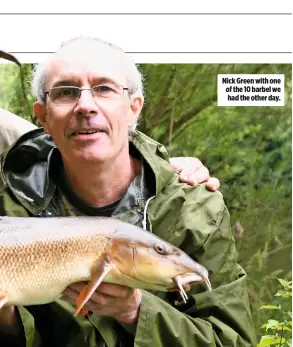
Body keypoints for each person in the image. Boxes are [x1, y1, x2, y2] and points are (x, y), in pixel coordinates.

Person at [0, 37, 256, 347]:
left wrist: (135, 310)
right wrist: (7, 319)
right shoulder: (9, 200)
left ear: (133, 109)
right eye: (66, 92)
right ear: (44, 117)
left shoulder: (194, 210)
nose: (85, 105)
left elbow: (232, 341)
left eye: (104, 89)